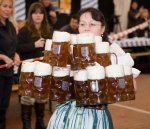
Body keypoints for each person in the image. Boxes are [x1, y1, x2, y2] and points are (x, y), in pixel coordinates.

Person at [47, 8, 114, 129]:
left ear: (103, 28)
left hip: (94, 118)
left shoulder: (112, 52)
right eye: (82, 24)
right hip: (63, 116)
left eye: (92, 24)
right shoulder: (66, 50)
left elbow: (132, 87)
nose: (86, 28)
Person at [17, 2, 52, 129]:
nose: (38, 16)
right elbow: (17, 48)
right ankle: (26, 125)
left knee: (41, 98)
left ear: (44, 15)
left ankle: (40, 123)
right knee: (27, 99)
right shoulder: (24, 30)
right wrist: (34, 45)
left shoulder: (48, 30)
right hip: (27, 71)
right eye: (35, 13)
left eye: (41, 13)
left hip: (42, 71)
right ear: (30, 15)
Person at [0, 0, 20, 129]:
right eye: (4, 6)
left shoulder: (11, 26)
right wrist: (2, 57)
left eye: (10, 7)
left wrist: (16, 55)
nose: (7, 9)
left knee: (4, 104)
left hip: (7, 72)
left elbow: (14, 46)